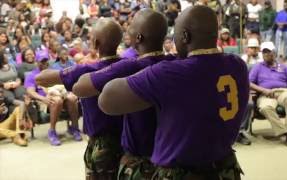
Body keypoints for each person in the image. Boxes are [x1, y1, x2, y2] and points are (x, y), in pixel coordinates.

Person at [98, 6, 249, 180]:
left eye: (175, 33)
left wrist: (134, 65)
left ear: (185, 36)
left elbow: (107, 100)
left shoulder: (171, 72)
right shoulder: (237, 65)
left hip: (182, 173)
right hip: (225, 168)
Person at [73, 9, 175, 180]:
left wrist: (86, 71)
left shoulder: (128, 66)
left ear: (139, 38)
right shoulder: (176, 64)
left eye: (132, 26)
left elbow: (80, 88)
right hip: (169, 159)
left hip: (139, 162)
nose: (128, 29)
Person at [36, 18, 124, 179]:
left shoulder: (86, 69)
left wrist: (71, 71)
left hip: (101, 144)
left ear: (95, 43)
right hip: (127, 139)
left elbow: (40, 78)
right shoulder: (130, 65)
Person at [24, 50, 81, 146]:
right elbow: (30, 92)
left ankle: (74, 127)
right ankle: (52, 131)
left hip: (60, 95)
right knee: (56, 100)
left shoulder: (54, 72)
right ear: (37, 62)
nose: (45, 63)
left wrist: (67, 93)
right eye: (42, 61)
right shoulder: (32, 75)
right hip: (43, 101)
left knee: (72, 98)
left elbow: (64, 86)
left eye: (46, 60)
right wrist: (43, 99)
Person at [249, 41, 287, 148]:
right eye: (264, 52)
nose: (266, 54)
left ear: (274, 53)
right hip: (266, 94)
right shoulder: (257, 67)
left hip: (282, 91)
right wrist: (263, 90)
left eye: (269, 52)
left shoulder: (283, 66)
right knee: (265, 108)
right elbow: (249, 83)